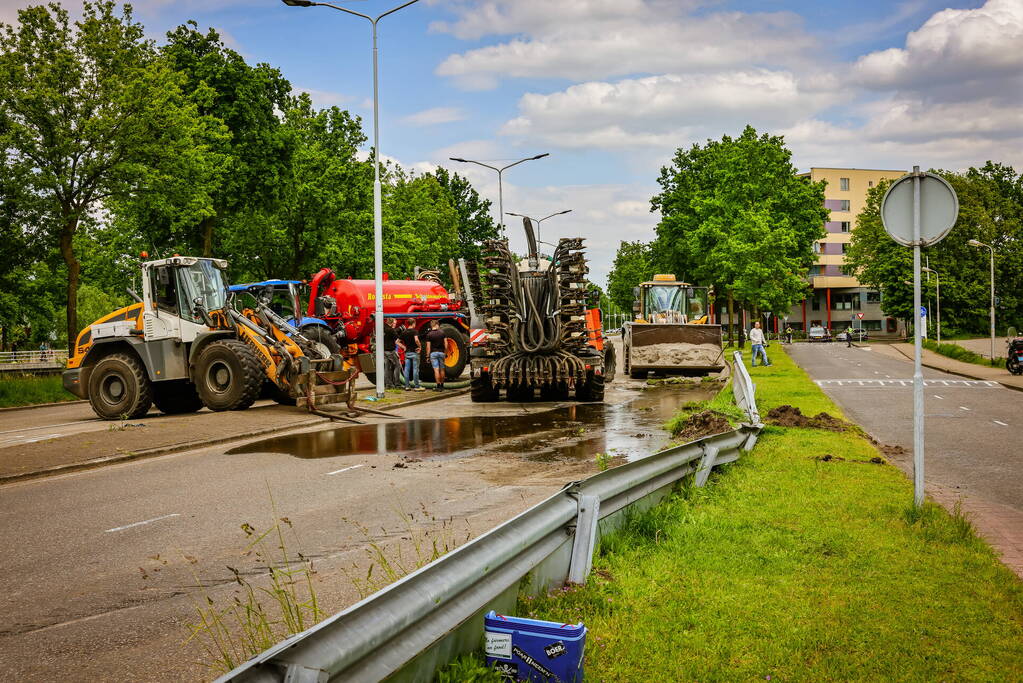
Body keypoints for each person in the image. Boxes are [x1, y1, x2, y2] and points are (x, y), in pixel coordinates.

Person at [400, 318, 425, 391]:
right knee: (415, 370)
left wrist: (403, 347)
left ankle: (407, 386)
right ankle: (417, 386)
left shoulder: (404, 332)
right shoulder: (415, 331)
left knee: (406, 370)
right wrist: (420, 346)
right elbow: (416, 340)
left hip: (407, 353)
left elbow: (397, 341)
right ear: (413, 323)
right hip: (414, 353)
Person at [425, 319, 447, 390]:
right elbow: (446, 344)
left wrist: (427, 356)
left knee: (436, 370)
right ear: (437, 325)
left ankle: (438, 386)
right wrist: (445, 352)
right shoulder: (442, 333)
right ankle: (442, 385)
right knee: (442, 369)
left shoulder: (429, 334)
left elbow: (428, 347)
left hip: (433, 354)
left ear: (432, 326)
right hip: (441, 353)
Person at [382, 318, 402, 389]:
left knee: (387, 368)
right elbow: (397, 338)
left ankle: (388, 384)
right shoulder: (391, 330)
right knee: (397, 366)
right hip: (390, 351)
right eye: (394, 323)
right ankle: (397, 384)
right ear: (391, 323)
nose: (395, 325)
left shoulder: (383, 327)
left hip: (384, 351)